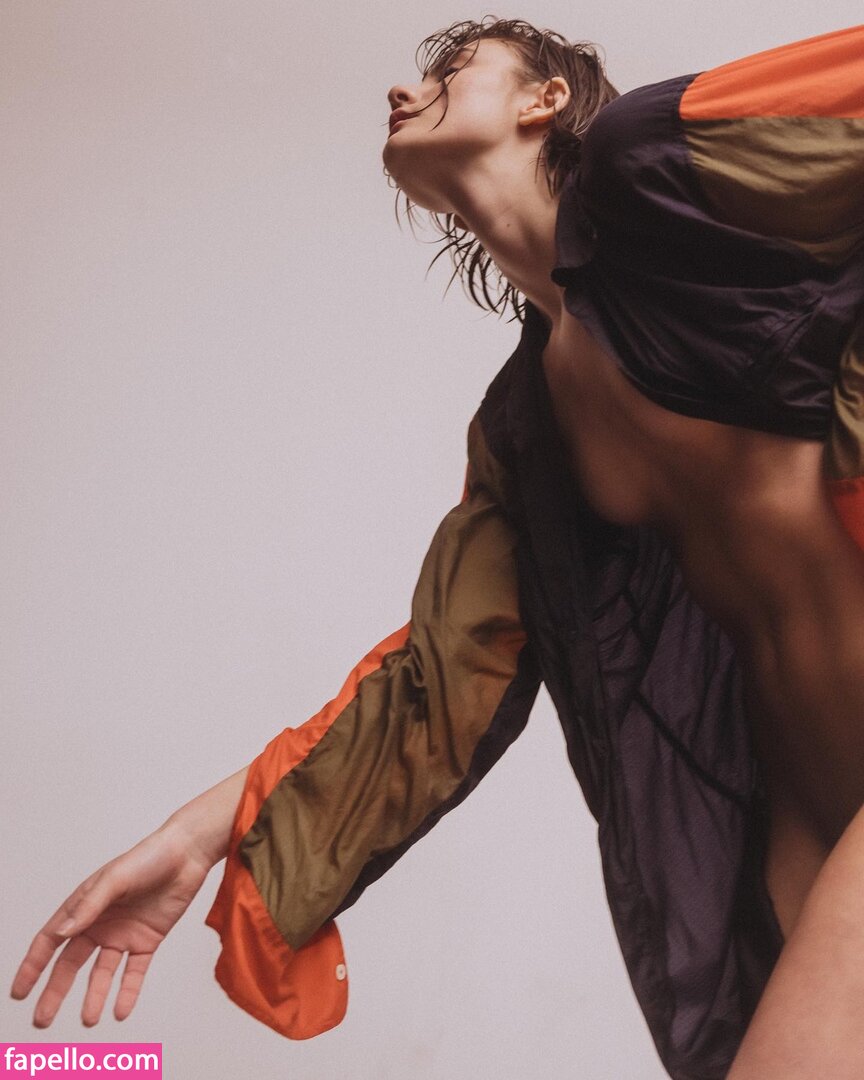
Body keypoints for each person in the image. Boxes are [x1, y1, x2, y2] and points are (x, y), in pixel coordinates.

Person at [10, 17, 864, 1080]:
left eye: (449, 69)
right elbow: (436, 683)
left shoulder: (660, 170)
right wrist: (194, 835)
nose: (403, 92)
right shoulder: (529, 426)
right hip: (806, 818)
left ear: (544, 101)